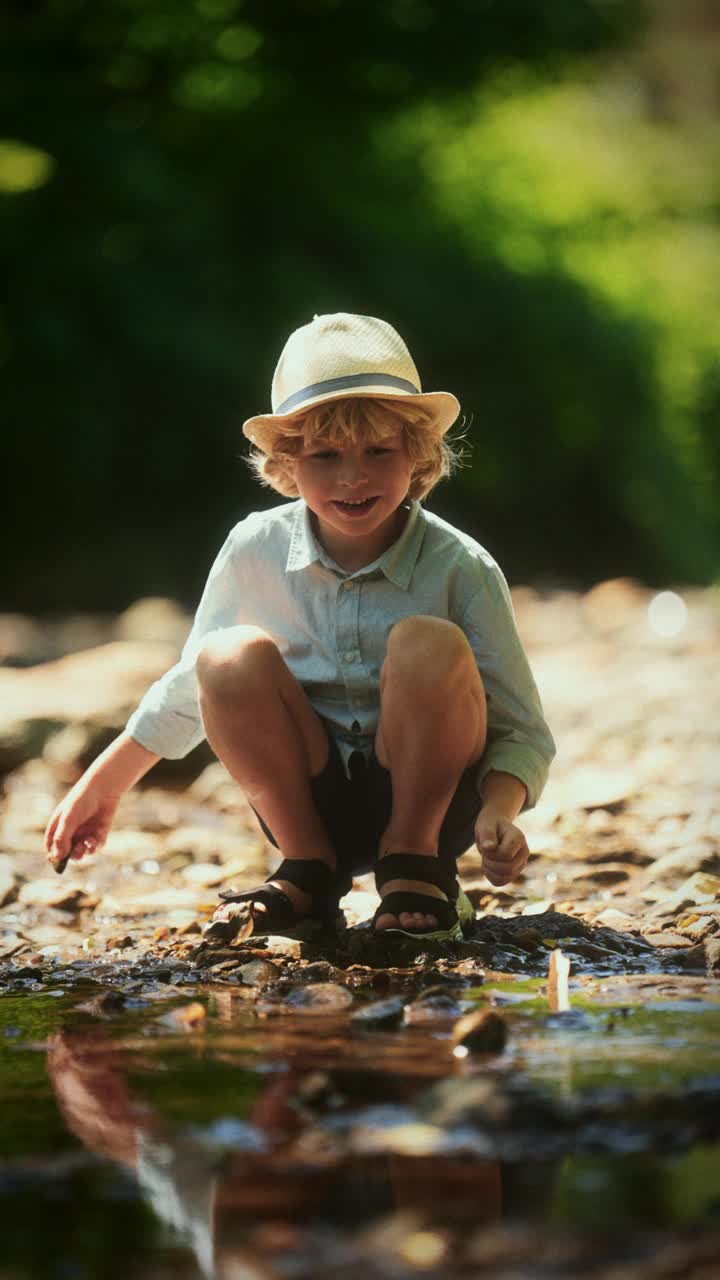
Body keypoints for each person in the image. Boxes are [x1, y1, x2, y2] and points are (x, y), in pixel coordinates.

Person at [44, 312, 555, 944]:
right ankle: (309, 868)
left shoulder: (460, 566)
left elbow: (521, 727)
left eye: (378, 452)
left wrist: (501, 813)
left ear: (417, 454)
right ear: (288, 462)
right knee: (225, 656)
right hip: (309, 800)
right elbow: (190, 685)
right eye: (326, 456)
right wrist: (106, 781)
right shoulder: (254, 549)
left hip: (434, 799)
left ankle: (413, 863)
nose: (353, 477)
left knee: (427, 642)